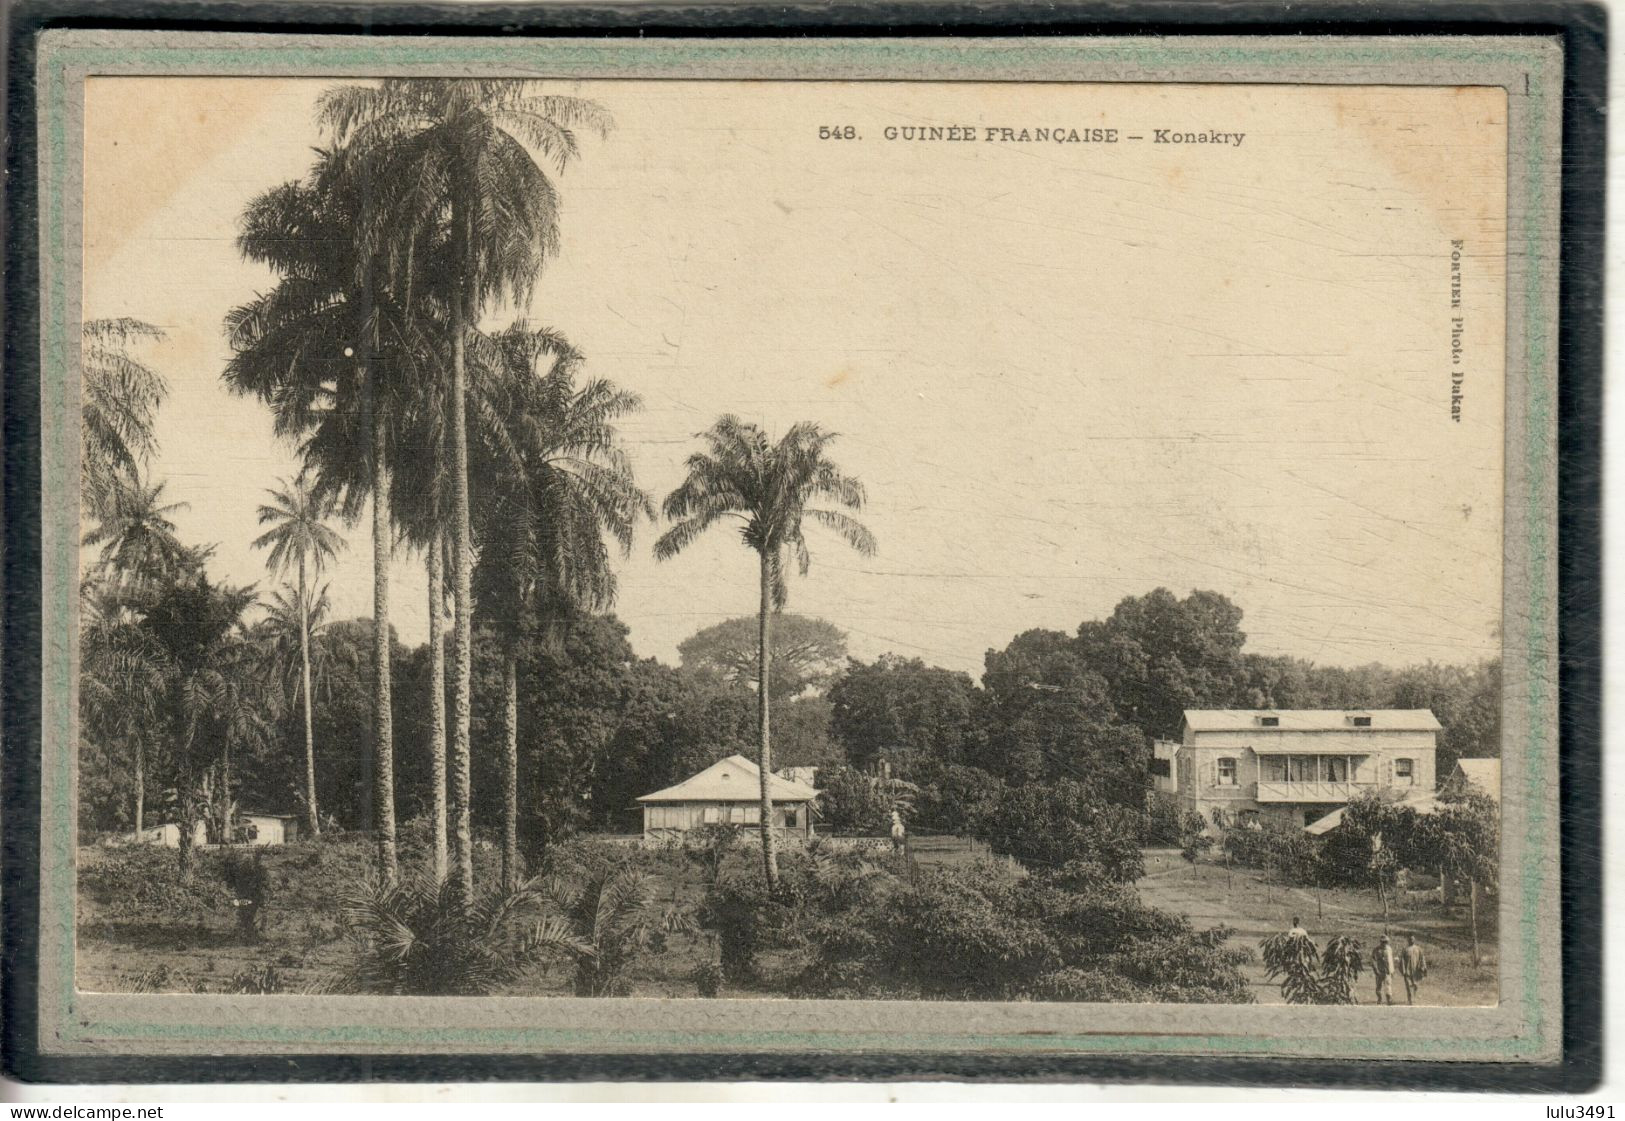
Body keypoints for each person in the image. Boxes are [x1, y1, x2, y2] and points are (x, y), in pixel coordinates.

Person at [1398, 933, 1428, 1004]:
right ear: (1408, 940)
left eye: (1412, 939)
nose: (1411, 940)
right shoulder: (1405, 950)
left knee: (1415, 985)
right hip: (1407, 971)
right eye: (1410, 939)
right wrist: (1403, 970)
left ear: (1414, 940)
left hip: (1416, 971)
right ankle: (1410, 999)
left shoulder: (1418, 949)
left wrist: (1423, 967)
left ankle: (1414, 996)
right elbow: (1401, 960)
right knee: (1408, 986)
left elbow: (1422, 958)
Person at [1371, 933, 1397, 1004]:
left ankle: (1389, 1000)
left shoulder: (1389, 949)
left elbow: (1390, 960)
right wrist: (1376, 970)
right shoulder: (1376, 950)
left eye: (1386, 942)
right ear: (1381, 942)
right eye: (1383, 942)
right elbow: (1373, 960)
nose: (1385, 943)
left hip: (1388, 971)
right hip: (1380, 971)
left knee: (1388, 985)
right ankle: (1379, 999)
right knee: (1378, 986)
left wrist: (1392, 971)